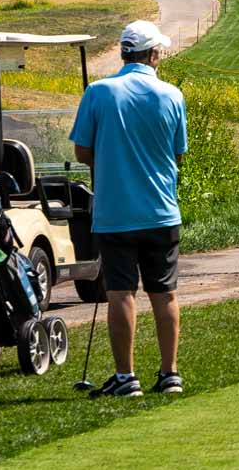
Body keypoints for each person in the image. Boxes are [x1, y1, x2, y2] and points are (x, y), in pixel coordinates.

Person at [71, 20, 188, 399]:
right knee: (164, 293)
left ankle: (126, 377)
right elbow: (178, 153)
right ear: (153, 54)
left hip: (115, 212)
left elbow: (82, 151)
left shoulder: (98, 92)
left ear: (124, 53)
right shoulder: (172, 94)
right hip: (161, 210)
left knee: (121, 293)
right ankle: (169, 374)